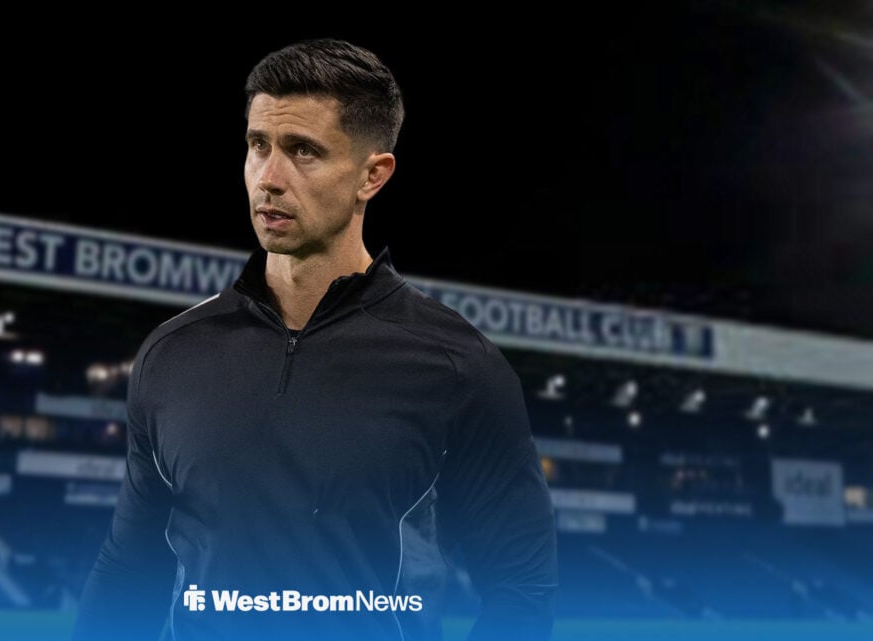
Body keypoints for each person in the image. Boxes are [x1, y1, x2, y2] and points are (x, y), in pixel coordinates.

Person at [72, 37, 558, 641]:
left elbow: (521, 587)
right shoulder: (172, 353)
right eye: (258, 146)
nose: (269, 178)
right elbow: (128, 567)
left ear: (371, 176)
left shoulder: (458, 366)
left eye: (303, 151)